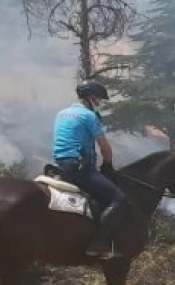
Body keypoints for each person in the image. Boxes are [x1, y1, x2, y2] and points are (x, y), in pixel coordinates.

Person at [52, 79, 128, 259]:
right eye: (99, 98)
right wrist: (107, 164)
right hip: (79, 166)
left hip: (60, 163)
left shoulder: (62, 113)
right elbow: (105, 148)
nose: (99, 102)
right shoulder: (88, 116)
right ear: (91, 97)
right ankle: (97, 244)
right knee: (119, 198)